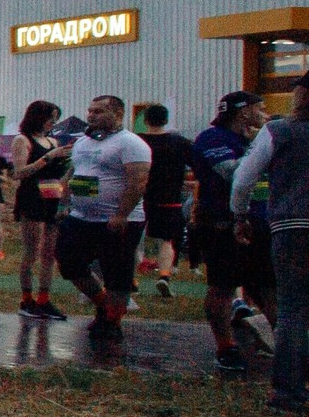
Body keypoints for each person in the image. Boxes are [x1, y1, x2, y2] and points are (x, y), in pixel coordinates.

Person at [226, 75, 309, 413]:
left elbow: (244, 178)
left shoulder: (279, 131)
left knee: (292, 309)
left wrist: (240, 215)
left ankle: (288, 393)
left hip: (292, 226)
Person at [54, 95, 152, 342]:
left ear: (117, 114)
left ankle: (112, 321)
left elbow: (138, 182)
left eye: (98, 111)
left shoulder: (131, 143)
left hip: (117, 219)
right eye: (90, 110)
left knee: (117, 272)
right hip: (81, 217)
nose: (91, 115)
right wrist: (65, 200)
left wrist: (121, 214)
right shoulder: (82, 142)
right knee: (68, 262)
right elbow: (77, 173)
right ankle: (103, 304)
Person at [194, 91, 272, 374]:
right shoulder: (213, 139)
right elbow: (233, 173)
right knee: (223, 285)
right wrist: (260, 147)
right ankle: (225, 346)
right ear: (244, 112)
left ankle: (290, 348)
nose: (264, 115)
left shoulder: (249, 139)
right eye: (260, 109)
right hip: (222, 223)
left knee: (268, 286)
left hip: (259, 221)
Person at [11, 101, 69, 319]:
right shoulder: (22, 140)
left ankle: (44, 298)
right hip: (32, 195)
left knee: (49, 252)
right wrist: (49, 157)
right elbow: (19, 172)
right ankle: (26, 299)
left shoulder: (53, 141)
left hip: (53, 194)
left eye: (55, 118)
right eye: (49, 118)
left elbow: (61, 173)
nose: (52, 122)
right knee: (31, 250)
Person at [138, 104, 193, 293]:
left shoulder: (137, 141)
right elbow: (197, 165)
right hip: (170, 197)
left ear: (146, 120)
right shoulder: (180, 142)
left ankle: (131, 281)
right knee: (166, 241)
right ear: (166, 120)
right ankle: (164, 276)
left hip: (140, 196)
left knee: (132, 239)